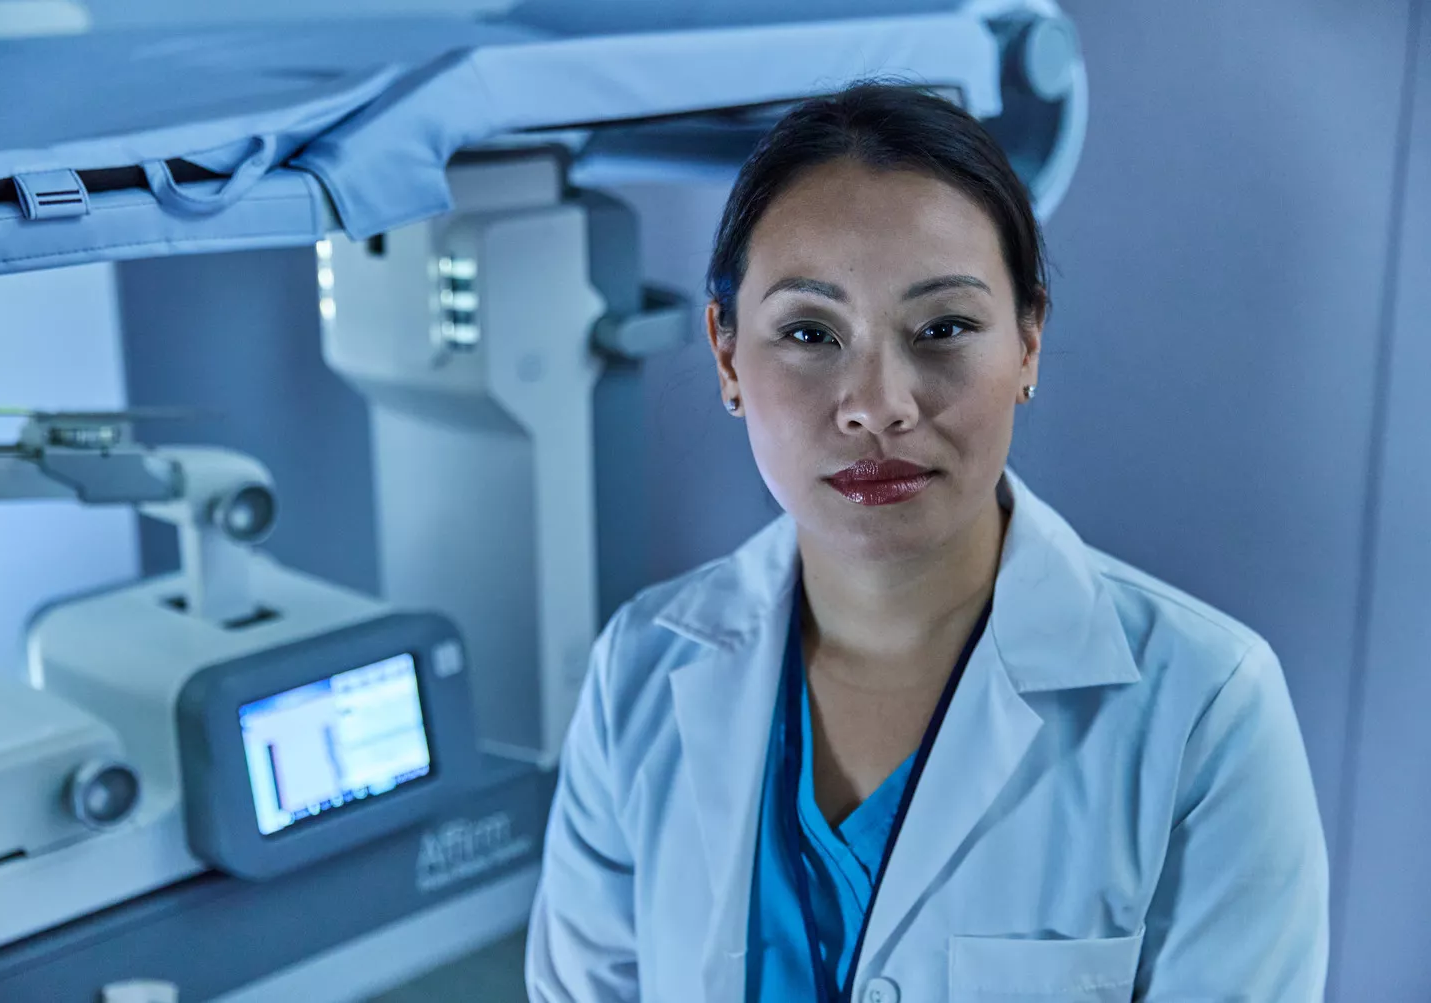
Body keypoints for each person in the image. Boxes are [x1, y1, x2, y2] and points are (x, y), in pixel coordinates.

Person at [525, 80, 1329, 1003]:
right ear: (725, 354)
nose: (879, 405)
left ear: (1028, 341)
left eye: (943, 328)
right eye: (808, 331)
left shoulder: (1208, 712)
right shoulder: (640, 668)